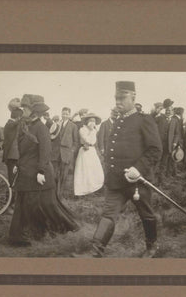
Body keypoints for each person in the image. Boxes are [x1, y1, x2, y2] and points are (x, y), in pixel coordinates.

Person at [91, 81, 162, 258]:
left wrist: (138, 169)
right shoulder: (117, 121)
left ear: (133, 97)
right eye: (116, 98)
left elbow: (155, 149)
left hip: (137, 181)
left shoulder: (144, 120)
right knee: (108, 214)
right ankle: (96, 249)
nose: (118, 102)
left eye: (122, 98)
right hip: (116, 181)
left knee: (146, 214)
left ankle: (152, 246)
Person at [8, 94, 79, 246]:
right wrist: (17, 164)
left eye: (25, 108)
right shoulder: (24, 126)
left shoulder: (41, 128)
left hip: (38, 174)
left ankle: (63, 229)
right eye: (23, 108)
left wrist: (40, 171)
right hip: (25, 172)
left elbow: (45, 152)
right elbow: (21, 149)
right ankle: (18, 236)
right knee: (23, 204)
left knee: (48, 205)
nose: (23, 110)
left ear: (34, 111)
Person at [50, 107, 79, 196]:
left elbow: (76, 141)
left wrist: (72, 151)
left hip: (66, 153)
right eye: (63, 113)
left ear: (69, 115)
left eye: (66, 114)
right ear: (61, 114)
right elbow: (52, 137)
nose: (64, 115)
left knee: (64, 174)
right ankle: (53, 193)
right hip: (56, 153)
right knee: (54, 173)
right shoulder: (57, 124)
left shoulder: (73, 126)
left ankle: (60, 194)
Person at [73, 113, 104, 196]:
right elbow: (87, 140)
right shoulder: (82, 129)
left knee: (93, 169)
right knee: (84, 170)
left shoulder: (94, 131)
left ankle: (92, 188)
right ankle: (82, 189)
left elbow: (93, 142)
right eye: (90, 120)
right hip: (84, 150)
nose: (92, 122)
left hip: (91, 151)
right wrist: (90, 131)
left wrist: (92, 131)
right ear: (87, 121)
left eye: (93, 121)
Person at [2, 98, 23, 184]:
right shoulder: (10, 124)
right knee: (13, 178)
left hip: (13, 156)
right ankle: (12, 195)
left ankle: (13, 194)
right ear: (18, 117)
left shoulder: (11, 124)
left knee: (14, 177)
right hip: (13, 156)